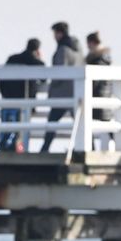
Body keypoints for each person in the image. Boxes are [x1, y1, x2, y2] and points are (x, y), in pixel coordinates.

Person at [39, 21, 83, 152]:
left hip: (61, 94)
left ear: (59, 33)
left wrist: (52, 87)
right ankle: (90, 147)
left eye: (54, 33)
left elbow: (58, 72)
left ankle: (44, 149)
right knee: (80, 122)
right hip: (76, 92)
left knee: (52, 121)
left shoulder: (63, 49)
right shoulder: (78, 49)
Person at [0, 38, 45, 152]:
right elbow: (43, 78)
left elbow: (2, 79)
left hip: (8, 99)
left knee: (7, 124)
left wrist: (4, 94)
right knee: (22, 126)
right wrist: (39, 59)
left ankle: (5, 144)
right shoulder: (35, 62)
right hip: (25, 100)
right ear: (37, 50)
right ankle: (18, 146)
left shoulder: (12, 58)